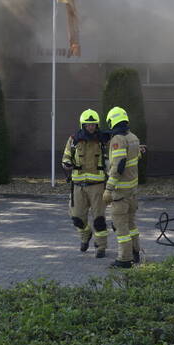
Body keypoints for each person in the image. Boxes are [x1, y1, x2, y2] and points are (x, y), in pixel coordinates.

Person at [62, 108, 109, 258]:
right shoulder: (74, 139)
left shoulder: (103, 140)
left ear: (97, 125)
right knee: (77, 217)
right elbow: (66, 157)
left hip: (97, 186)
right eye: (88, 125)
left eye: (93, 124)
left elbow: (118, 149)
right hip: (78, 186)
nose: (91, 127)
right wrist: (67, 163)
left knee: (99, 219)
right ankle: (86, 234)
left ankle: (101, 247)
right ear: (83, 125)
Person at [103, 106, 143, 268]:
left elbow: (118, 166)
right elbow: (135, 157)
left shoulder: (118, 139)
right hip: (132, 191)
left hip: (120, 193)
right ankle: (136, 252)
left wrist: (108, 188)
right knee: (132, 224)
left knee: (121, 227)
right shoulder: (133, 137)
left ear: (113, 121)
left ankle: (124, 259)